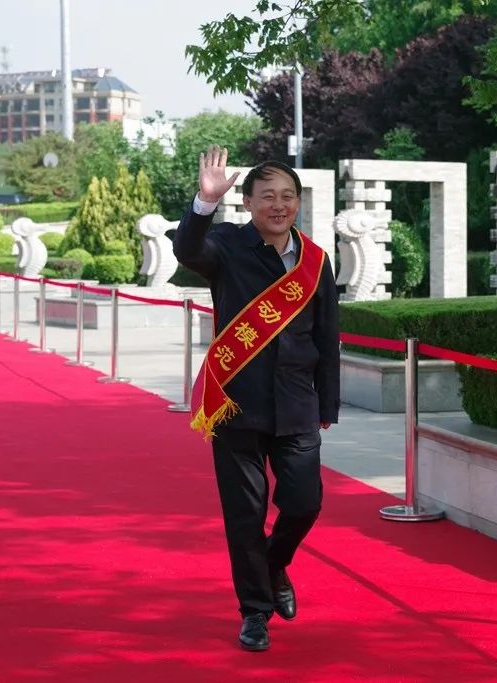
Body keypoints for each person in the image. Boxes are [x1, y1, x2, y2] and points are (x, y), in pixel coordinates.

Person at [174, 145, 340, 652]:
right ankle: (254, 612)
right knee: (245, 515)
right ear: (247, 203)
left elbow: (327, 336)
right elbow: (187, 250)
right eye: (267, 196)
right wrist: (204, 203)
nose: (278, 205)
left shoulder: (315, 261)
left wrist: (328, 405)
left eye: (288, 196)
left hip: (296, 404)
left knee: (304, 503)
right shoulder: (226, 246)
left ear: (298, 203)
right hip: (236, 404)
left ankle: (274, 564)